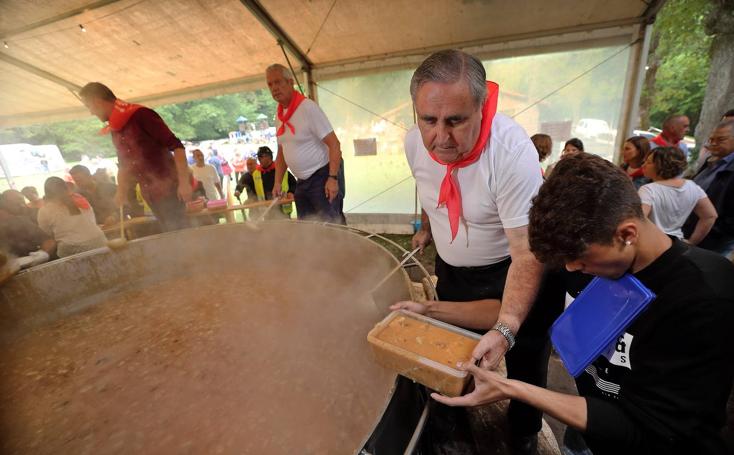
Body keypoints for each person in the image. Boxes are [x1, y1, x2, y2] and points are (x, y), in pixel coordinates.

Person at [434, 153, 734, 455]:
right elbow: (515, 304)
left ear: (627, 234)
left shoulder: (705, 295)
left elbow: (653, 430)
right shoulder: (583, 260)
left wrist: (514, 389)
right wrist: (502, 331)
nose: (570, 270)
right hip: (585, 428)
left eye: (580, 261)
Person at [392, 49, 564, 453]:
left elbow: (528, 253)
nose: (441, 138)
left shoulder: (510, 152)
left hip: (511, 267)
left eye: (455, 121)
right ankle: (451, 427)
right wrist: (428, 227)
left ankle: (523, 432)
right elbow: (429, 186)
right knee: (450, 351)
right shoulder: (414, 143)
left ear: (482, 108)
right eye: (428, 120)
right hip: (454, 270)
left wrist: (505, 327)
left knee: (525, 355)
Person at [78, 82, 191, 232]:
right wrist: (121, 191)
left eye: (89, 107)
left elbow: (177, 146)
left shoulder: (141, 115)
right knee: (170, 233)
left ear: (97, 102)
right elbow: (124, 163)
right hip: (150, 194)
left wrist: (184, 183)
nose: (91, 112)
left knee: (182, 233)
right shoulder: (115, 128)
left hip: (170, 190)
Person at [265, 63, 345, 223]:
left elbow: (334, 144)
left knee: (332, 228)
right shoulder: (279, 115)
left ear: (290, 82)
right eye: (270, 84)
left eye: (278, 82)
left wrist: (332, 178)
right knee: (307, 230)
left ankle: (343, 249)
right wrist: (278, 182)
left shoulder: (307, 108)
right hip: (302, 181)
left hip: (323, 176)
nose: (274, 88)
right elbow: (282, 151)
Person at [638, 146, 716, 244]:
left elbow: (639, 219)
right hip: (676, 244)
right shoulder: (693, 187)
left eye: (648, 162)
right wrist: (692, 242)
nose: (643, 165)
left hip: (651, 243)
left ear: (662, 165)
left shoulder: (648, 190)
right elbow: (710, 216)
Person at [685, 119, 734, 255]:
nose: (713, 144)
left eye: (720, 139)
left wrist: (715, 230)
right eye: (711, 139)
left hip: (713, 240)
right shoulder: (712, 161)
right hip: (694, 230)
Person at [37, 177, 108, 258]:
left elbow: (46, 234)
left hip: (72, 249)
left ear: (47, 193)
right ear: (65, 187)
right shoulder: (79, 198)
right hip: (100, 242)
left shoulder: (45, 210)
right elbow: (92, 220)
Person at [234, 146, 296, 218]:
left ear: (269, 157)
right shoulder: (256, 173)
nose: (259, 159)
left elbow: (294, 184)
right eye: (258, 157)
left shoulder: (280, 170)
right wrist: (250, 199)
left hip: (283, 208)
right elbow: (250, 187)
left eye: (261, 156)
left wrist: (290, 192)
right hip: (266, 211)